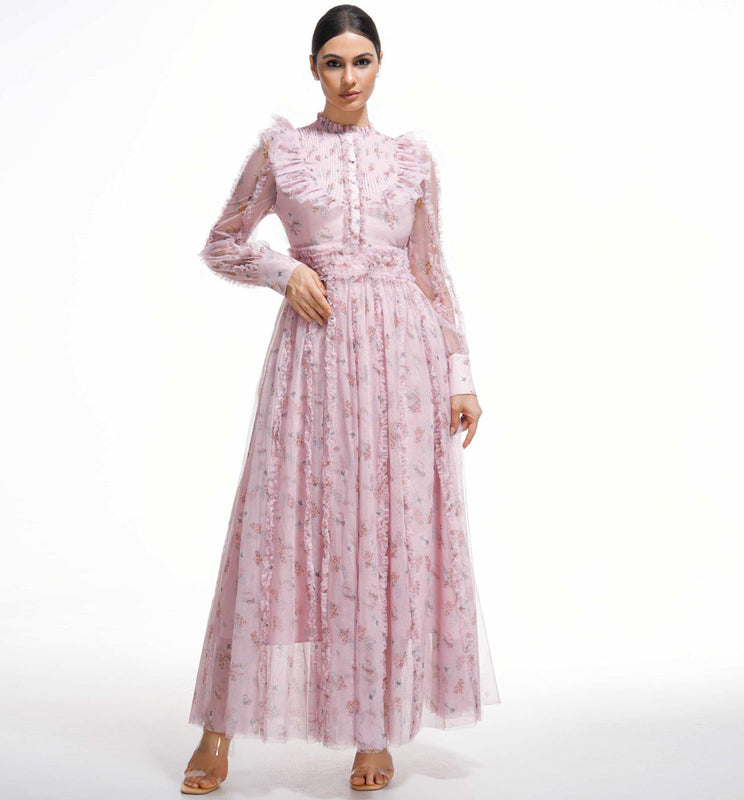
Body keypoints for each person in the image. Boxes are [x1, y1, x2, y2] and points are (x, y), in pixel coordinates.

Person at [181, 4, 500, 794]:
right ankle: (218, 730)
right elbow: (222, 241)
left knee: (386, 535)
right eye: (334, 62)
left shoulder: (410, 158)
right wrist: (284, 271)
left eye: (362, 61)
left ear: (379, 65)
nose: (349, 77)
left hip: (404, 364)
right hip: (315, 360)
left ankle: (375, 732)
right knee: (277, 526)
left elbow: (431, 270)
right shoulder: (282, 151)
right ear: (314, 68)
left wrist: (460, 375)